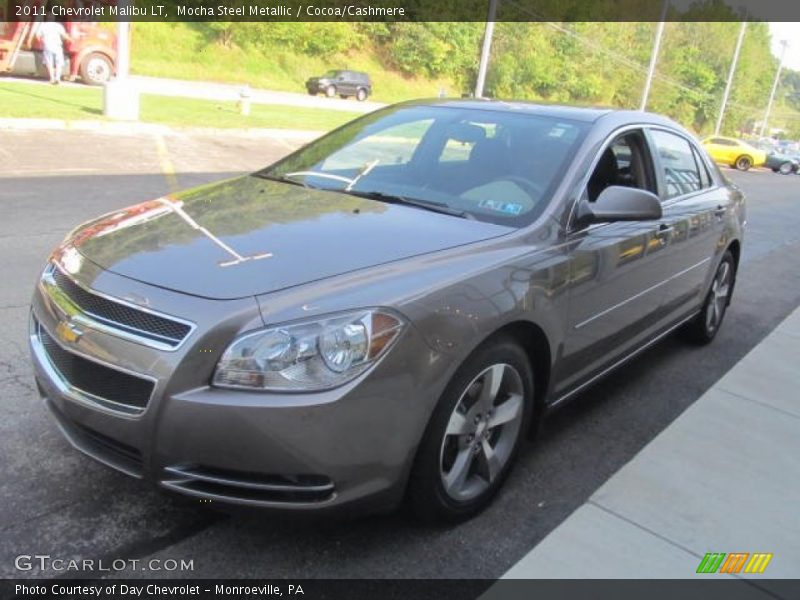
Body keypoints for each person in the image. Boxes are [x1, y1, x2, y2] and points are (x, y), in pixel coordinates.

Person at [36, 17, 71, 85]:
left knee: (49, 63)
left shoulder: (43, 25)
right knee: (59, 63)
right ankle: (57, 78)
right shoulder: (58, 26)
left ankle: (52, 78)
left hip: (47, 45)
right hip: (57, 45)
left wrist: (41, 42)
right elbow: (64, 36)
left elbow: (37, 36)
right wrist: (70, 39)